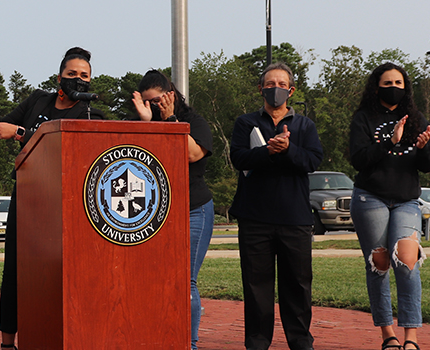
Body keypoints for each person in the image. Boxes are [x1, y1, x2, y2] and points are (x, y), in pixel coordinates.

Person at [0, 47, 105, 350]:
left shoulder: (90, 113)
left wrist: (22, 133)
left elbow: (68, 148)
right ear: (59, 77)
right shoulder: (38, 100)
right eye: (72, 74)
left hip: (67, 205)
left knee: (59, 270)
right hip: (27, 196)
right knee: (15, 268)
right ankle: (7, 342)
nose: (78, 80)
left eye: (84, 76)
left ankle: (62, 335)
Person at [228, 62, 323, 350]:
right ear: (260, 89)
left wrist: (289, 149)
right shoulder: (246, 123)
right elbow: (239, 159)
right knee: (257, 285)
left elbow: (312, 161)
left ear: (291, 91)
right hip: (254, 217)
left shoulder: (304, 125)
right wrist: (268, 151)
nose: (276, 89)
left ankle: (300, 340)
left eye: (282, 85)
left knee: (297, 283)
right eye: (270, 84)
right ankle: (257, 341)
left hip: (294, 217)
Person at [348, 62, 430, 350]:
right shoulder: (364, 118)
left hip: (406, 200)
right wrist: (389, 142)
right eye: (387, 84)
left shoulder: (416, 117)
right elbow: (359, 159)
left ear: (406, 87)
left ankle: (411, 338)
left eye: (399, 84)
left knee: (407, 261)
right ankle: (387, 334)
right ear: (376, 87)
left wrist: (425, 148)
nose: (393, 89)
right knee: (380, 264)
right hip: (370, 198)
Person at [130, 69, 213, 349]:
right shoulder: (143, 121)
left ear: (171, 95)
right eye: (147, 102)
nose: (153, 107)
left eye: (156, 101)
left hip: (193, 210)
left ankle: (188, 343)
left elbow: (190, 153)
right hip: (154, 215)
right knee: (152, 279)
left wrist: (169, 120)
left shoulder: (194, 121)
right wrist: (145, 122)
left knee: (184, 279)